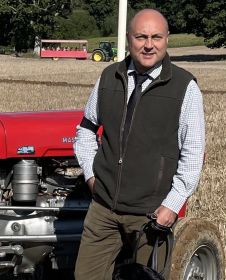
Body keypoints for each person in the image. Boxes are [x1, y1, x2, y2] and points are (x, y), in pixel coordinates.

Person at [73, 9, 205, 280]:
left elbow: (192, 155)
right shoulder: (109, 77)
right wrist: (91, 178)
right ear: (128, 38)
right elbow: (85, 131)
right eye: (141, 36)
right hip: (104, 210)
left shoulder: (184, 87)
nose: (148, 44)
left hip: (151, 215)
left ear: (167, 39)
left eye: (156, 36)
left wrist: (172, 205)